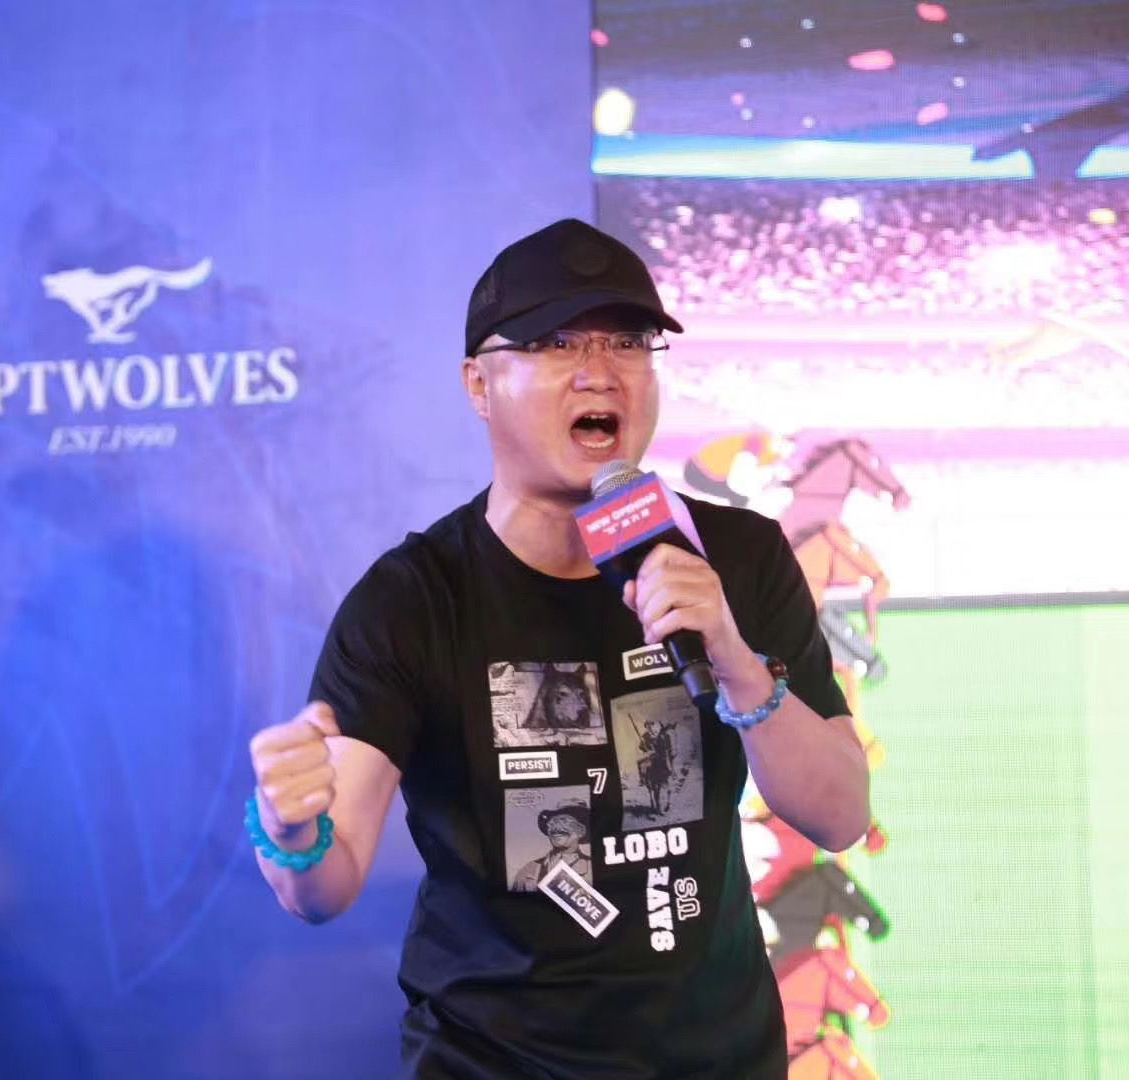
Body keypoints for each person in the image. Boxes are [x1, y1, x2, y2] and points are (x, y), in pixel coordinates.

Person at [246, 219, 870, 1078]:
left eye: (628, 341)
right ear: (479, 383)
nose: (599, 369)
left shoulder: (738, 557)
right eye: (555, 342)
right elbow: (326, 883)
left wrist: (732, 656)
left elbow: (840, 814)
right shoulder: (413, 600)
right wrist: (290, 830)